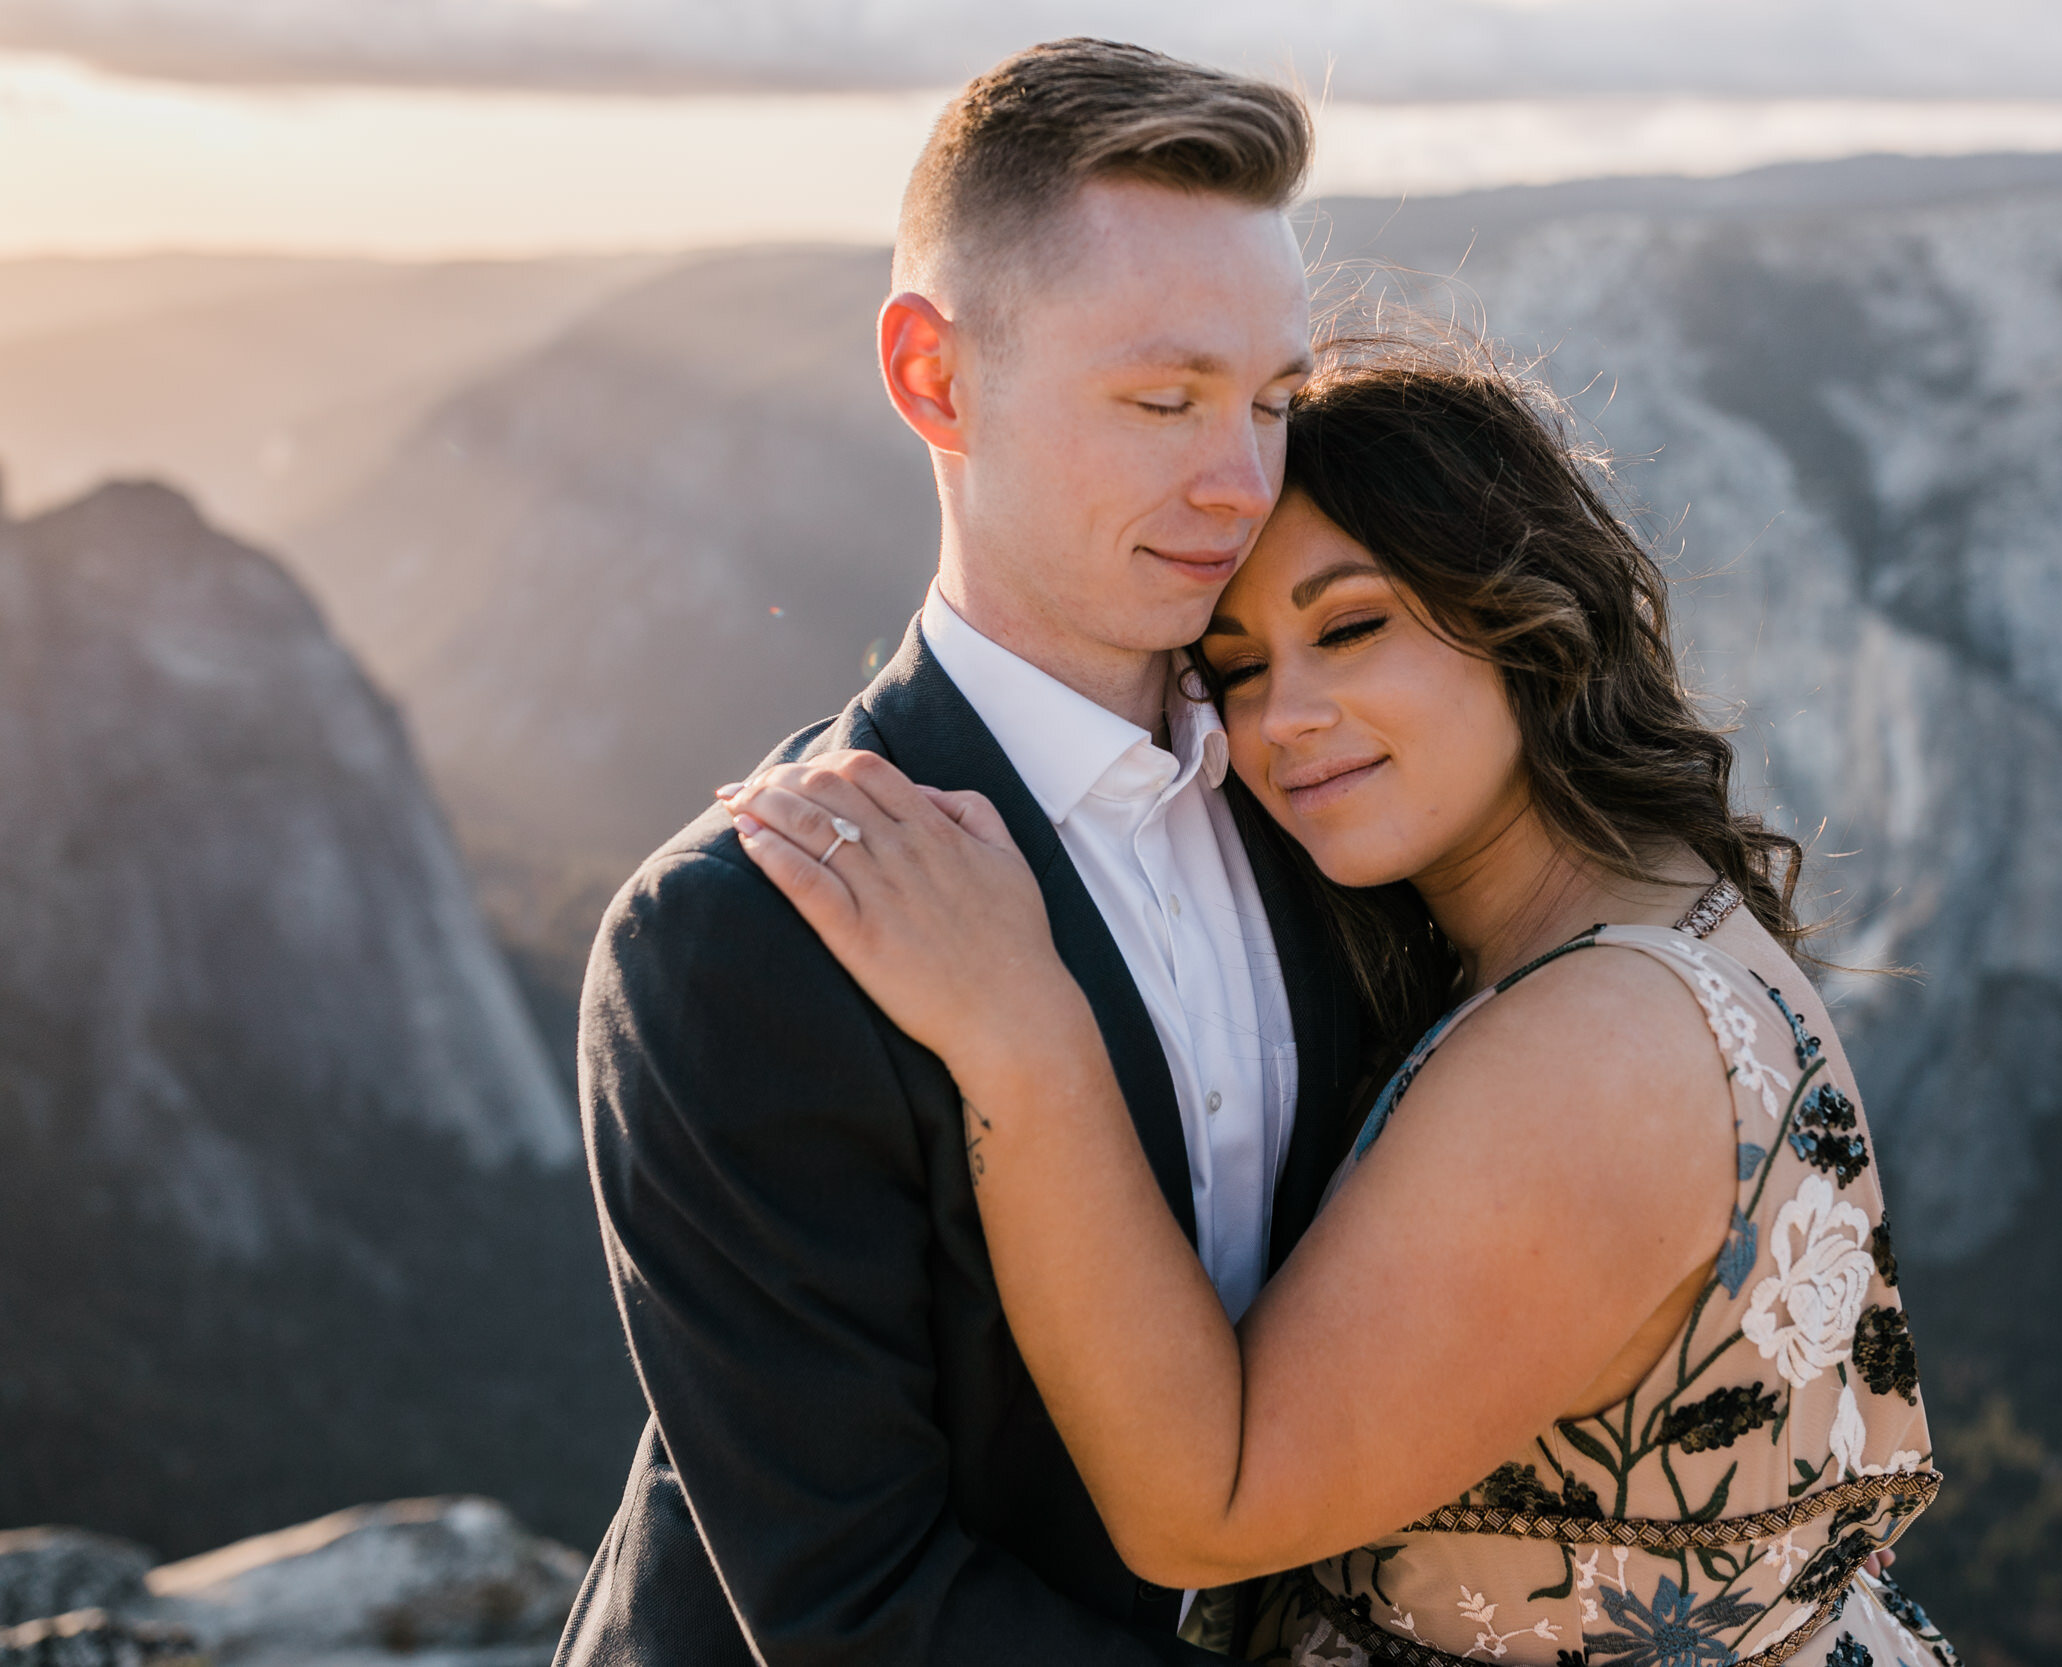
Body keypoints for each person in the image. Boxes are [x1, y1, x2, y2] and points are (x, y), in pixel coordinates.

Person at [724, 339, 1963, 1667]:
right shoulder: (1676, 914)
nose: (1284, 720)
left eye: (1353, 625)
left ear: (1527, 617)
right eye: (1239, 666)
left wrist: (1023, 1033)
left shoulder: (1589, 1050)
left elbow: (1208, 1509)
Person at [552, 40, 1370, 1666]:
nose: (1240, 482)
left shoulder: (1341, 802)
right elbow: (857, 1604)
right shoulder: (734, 939)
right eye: (1162, 399)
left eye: (1276, 401)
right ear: (934, 376)